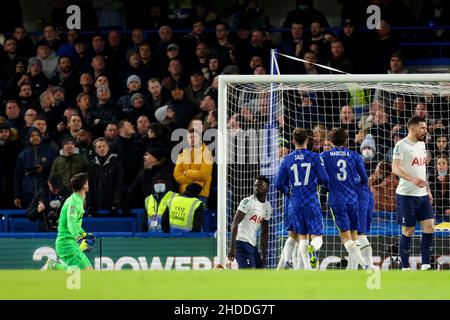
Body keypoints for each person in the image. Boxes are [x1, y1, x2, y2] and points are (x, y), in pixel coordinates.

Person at [275, 128, 329, 270]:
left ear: (293, 141)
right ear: (308, 140)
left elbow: (278, 184)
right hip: (311, 198)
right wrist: (313, 182)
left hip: (295, 200)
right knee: (317, 236)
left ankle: (304, 269)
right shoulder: (315, 157)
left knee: (301, 236)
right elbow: (324, 178)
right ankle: (313, 249)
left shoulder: (287, 159)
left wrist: (289, 192)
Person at [320, 127, 369, 270]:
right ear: (346, 140)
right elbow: (364, 179)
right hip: (352, 198)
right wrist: (352, 181)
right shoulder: (354, 156)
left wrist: (329, 184)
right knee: (354, 234)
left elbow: (321, 178)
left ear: (330, 141)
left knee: (345, 236)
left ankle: (366, 266)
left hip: (337, 198)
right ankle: (352, 270)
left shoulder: (325, 156)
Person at [392, 116, 435, 270]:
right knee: (408, 231)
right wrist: (412, 179)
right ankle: (405, 267)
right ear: (412, 128)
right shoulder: (401, 145)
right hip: (406, 196)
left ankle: (425, 264)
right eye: (422, 128)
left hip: (422, 195)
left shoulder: (422, 145)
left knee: (430, 227)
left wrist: (428, 189)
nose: (426, 131)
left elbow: (421, 171)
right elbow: (395, 168)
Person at [41, 173, 95, 271]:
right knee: (86, 273)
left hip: (70, 242)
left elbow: (75, 224)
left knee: (89, 271)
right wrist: (79, 239)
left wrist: (84, 235)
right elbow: (71, 223)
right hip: (67, 243)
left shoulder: (76, 199)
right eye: (87, 183)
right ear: (84, 186)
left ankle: (54, 266)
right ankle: (54, 266)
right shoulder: (74, 202)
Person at [227, 176, 272, 269]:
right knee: (249, 273)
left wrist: (264, 255)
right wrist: (233, 247)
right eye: (255, 185)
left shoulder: (267, 206)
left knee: (260, 271)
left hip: (252, 245)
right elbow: (235, 222)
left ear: (267, 189)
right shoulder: (247, 202)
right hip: (241, 242)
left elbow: (265, 232)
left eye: (260, 185)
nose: (257, 187)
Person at [87, 138, 123, 215]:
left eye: (104, 146)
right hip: (95, 206)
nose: (102, 149)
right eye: (99, 147)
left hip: (112, 207)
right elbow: (90, 185)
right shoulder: (92, 164)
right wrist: (91, 204)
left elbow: (118, 185)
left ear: (108, 147)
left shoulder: (116, 164)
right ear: (96, 150)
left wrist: (115, 203)